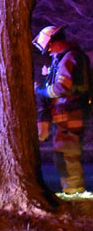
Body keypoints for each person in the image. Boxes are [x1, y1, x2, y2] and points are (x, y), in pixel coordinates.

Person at [33, 25, 89, 196]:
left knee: (66, 154)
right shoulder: (65, 58)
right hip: (66, 114)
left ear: (55, 42)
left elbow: (62, 88)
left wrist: (41, 90)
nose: (48, 51)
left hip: (70, 114)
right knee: (63, 154)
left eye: (49, 47)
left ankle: (74, 192)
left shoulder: (69, 58)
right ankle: (72, 189)